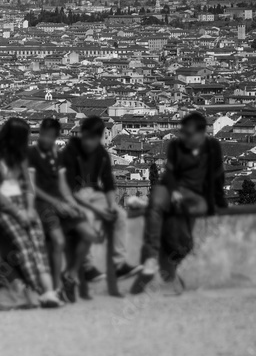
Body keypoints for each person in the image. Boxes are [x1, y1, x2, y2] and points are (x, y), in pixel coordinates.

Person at [133, 112, 226, 294]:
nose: (184, 137)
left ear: (202, 134)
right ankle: (151, 259)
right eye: (183, 133)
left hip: (197, 195)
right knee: (157, 196)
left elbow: (217, 176)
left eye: (189, 134)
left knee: (175, 217)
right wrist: (174, 191)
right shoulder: (176, 146)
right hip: (175, 190)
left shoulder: (213, 146)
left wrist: (220, 204)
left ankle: (170, 269)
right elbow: (169, 174)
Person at [0, 118, 62, 308]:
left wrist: (30, 208)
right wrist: (19, 213)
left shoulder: (20, 154)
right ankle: (39, 291)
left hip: (24, 204)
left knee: (38, 244)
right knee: (24, 246)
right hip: (2, 206)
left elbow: (28, 184)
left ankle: (49, 292)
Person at [60, 116, 141, 291]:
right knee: (87, 217)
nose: (91, 143)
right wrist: (98, 210)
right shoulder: (70, 152)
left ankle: (119, 264)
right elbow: (70, 189)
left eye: (95, 139)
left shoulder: (101, 153)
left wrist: (111, 205)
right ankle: (88, 267)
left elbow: (108, 182)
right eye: (88, 138)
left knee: (120, 215)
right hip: (74, 196)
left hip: (94, 194)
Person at [29, 118, 97, 302]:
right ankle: (57, 286)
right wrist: (57, 203)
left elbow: (63, 186)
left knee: (89, 234)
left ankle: (71, 275)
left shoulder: (57, 155)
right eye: (44, 135)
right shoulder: (32, 154)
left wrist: (72, 205)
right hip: (41, 204)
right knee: (58, 241)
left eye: (50, 136)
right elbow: (33, 187)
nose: (46, 139)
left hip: (59, 203)